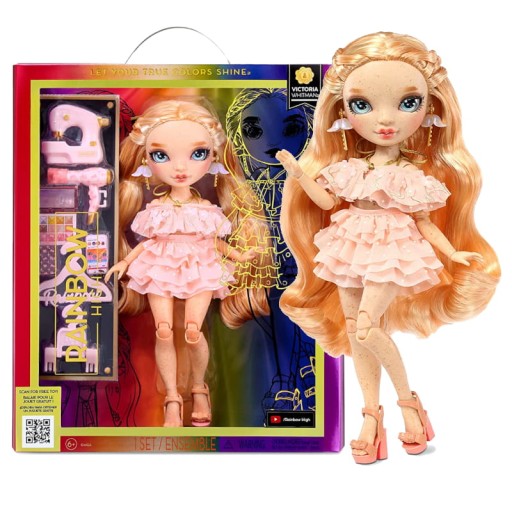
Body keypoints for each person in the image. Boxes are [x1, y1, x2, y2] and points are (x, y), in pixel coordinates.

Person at [276, 32, 500, 463]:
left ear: (430, 109)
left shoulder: (414, 176)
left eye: (407, 103)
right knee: (355, 331)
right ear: (342, 112)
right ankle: (370, 417)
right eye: (362, 104)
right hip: (349, 244)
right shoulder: (350, 169)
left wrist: (452, 254)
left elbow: (424, 221)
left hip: (393, 250)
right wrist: (299, 174)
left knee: (365, 327)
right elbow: (328, 203)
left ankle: (409, 405)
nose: (384, 120)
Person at [106, 99, 270, 427]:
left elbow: (212, 242)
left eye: (198, 154)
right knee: (164, 330)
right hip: (160, 265)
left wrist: (241, 256)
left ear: (213, 156)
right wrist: (125, 262)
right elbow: (151, 242)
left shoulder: (208, 209)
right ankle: (171, 398)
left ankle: (199, 389)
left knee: (193, 331)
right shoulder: (156, 208)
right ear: (145, 158)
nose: (180, 168)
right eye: (161, 155)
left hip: (201, 266)